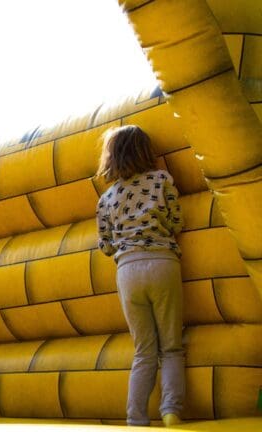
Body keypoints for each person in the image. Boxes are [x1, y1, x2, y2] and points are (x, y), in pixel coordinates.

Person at [95, 125, 185, 427]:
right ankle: (171, 410)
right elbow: (176, 222)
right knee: (171, 346)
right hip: (162, 262)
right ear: (146, 151)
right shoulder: (162, 180)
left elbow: (105, 246)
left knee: (144, 350)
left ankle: (136, 419)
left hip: (128, 270)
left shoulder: (106, 198)